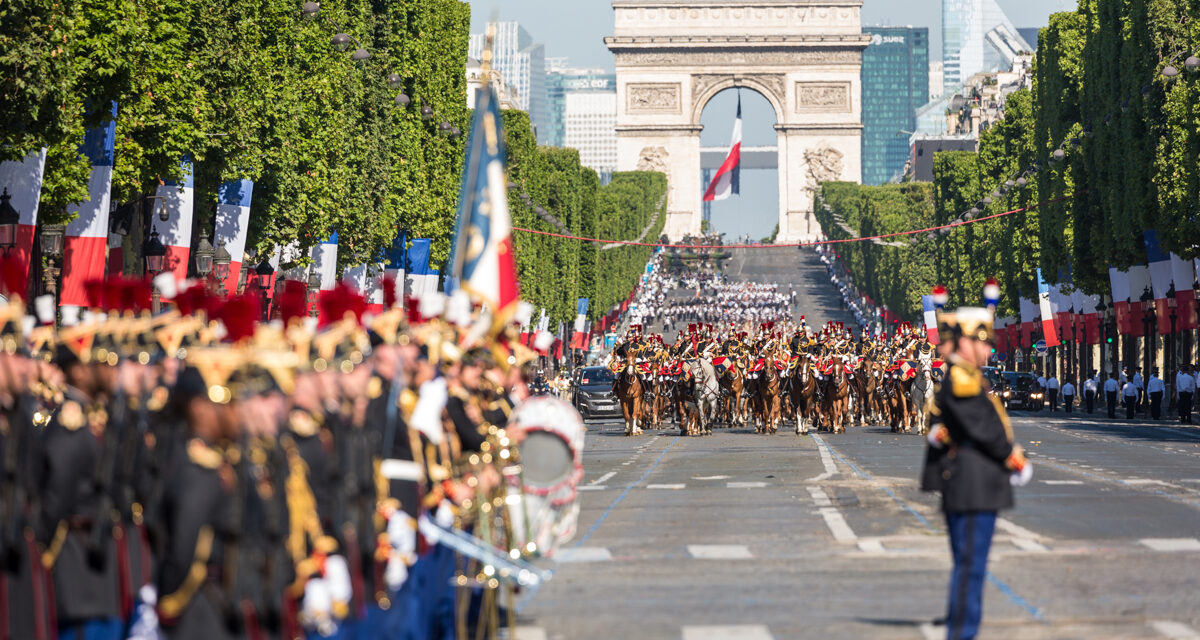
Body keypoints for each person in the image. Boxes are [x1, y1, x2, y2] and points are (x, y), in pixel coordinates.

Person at [921, 306, 1030, 640]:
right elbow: (982, 427)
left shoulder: (965, 375)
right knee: (972, 566)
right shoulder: (964, 378)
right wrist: (1013, 458)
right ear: (965, 342)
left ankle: (959, 624)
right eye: (981, 342)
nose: (987, 349)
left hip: (969, 479)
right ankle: (963, 632)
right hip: (974, 481)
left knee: (967, 564)